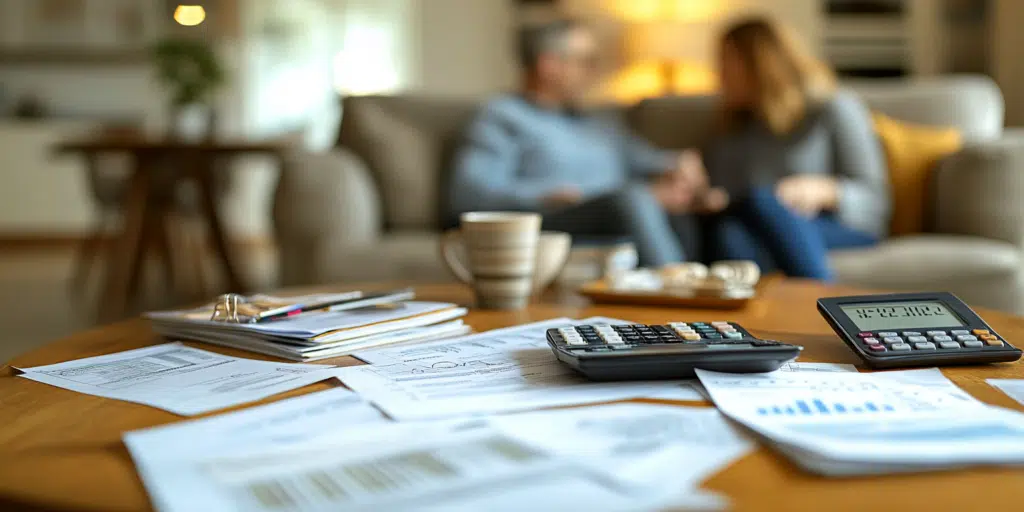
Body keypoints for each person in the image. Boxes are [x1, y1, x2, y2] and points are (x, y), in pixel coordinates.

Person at [447, 18, 723, 266]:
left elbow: (642, 158)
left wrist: (677, 164)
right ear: (549, 65)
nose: (593, 72)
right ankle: (679, 288)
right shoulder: (502, 116)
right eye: (586, 61)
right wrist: (545, 194)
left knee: (676, 207)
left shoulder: (597, 121)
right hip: (555, 220)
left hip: (619, 218)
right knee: (633, 199)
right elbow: (468, 194)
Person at [701, 17, 891, 281]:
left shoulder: (833, 108)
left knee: (763, 200)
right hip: (755, 223)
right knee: (729, 232)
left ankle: (818, 297)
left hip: (838, 225)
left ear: (761, 65)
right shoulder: (733, 126)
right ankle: (758, 308)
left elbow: (875, 199)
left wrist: (821, 190)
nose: (718, 74)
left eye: (727, 62)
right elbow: (727, 194)